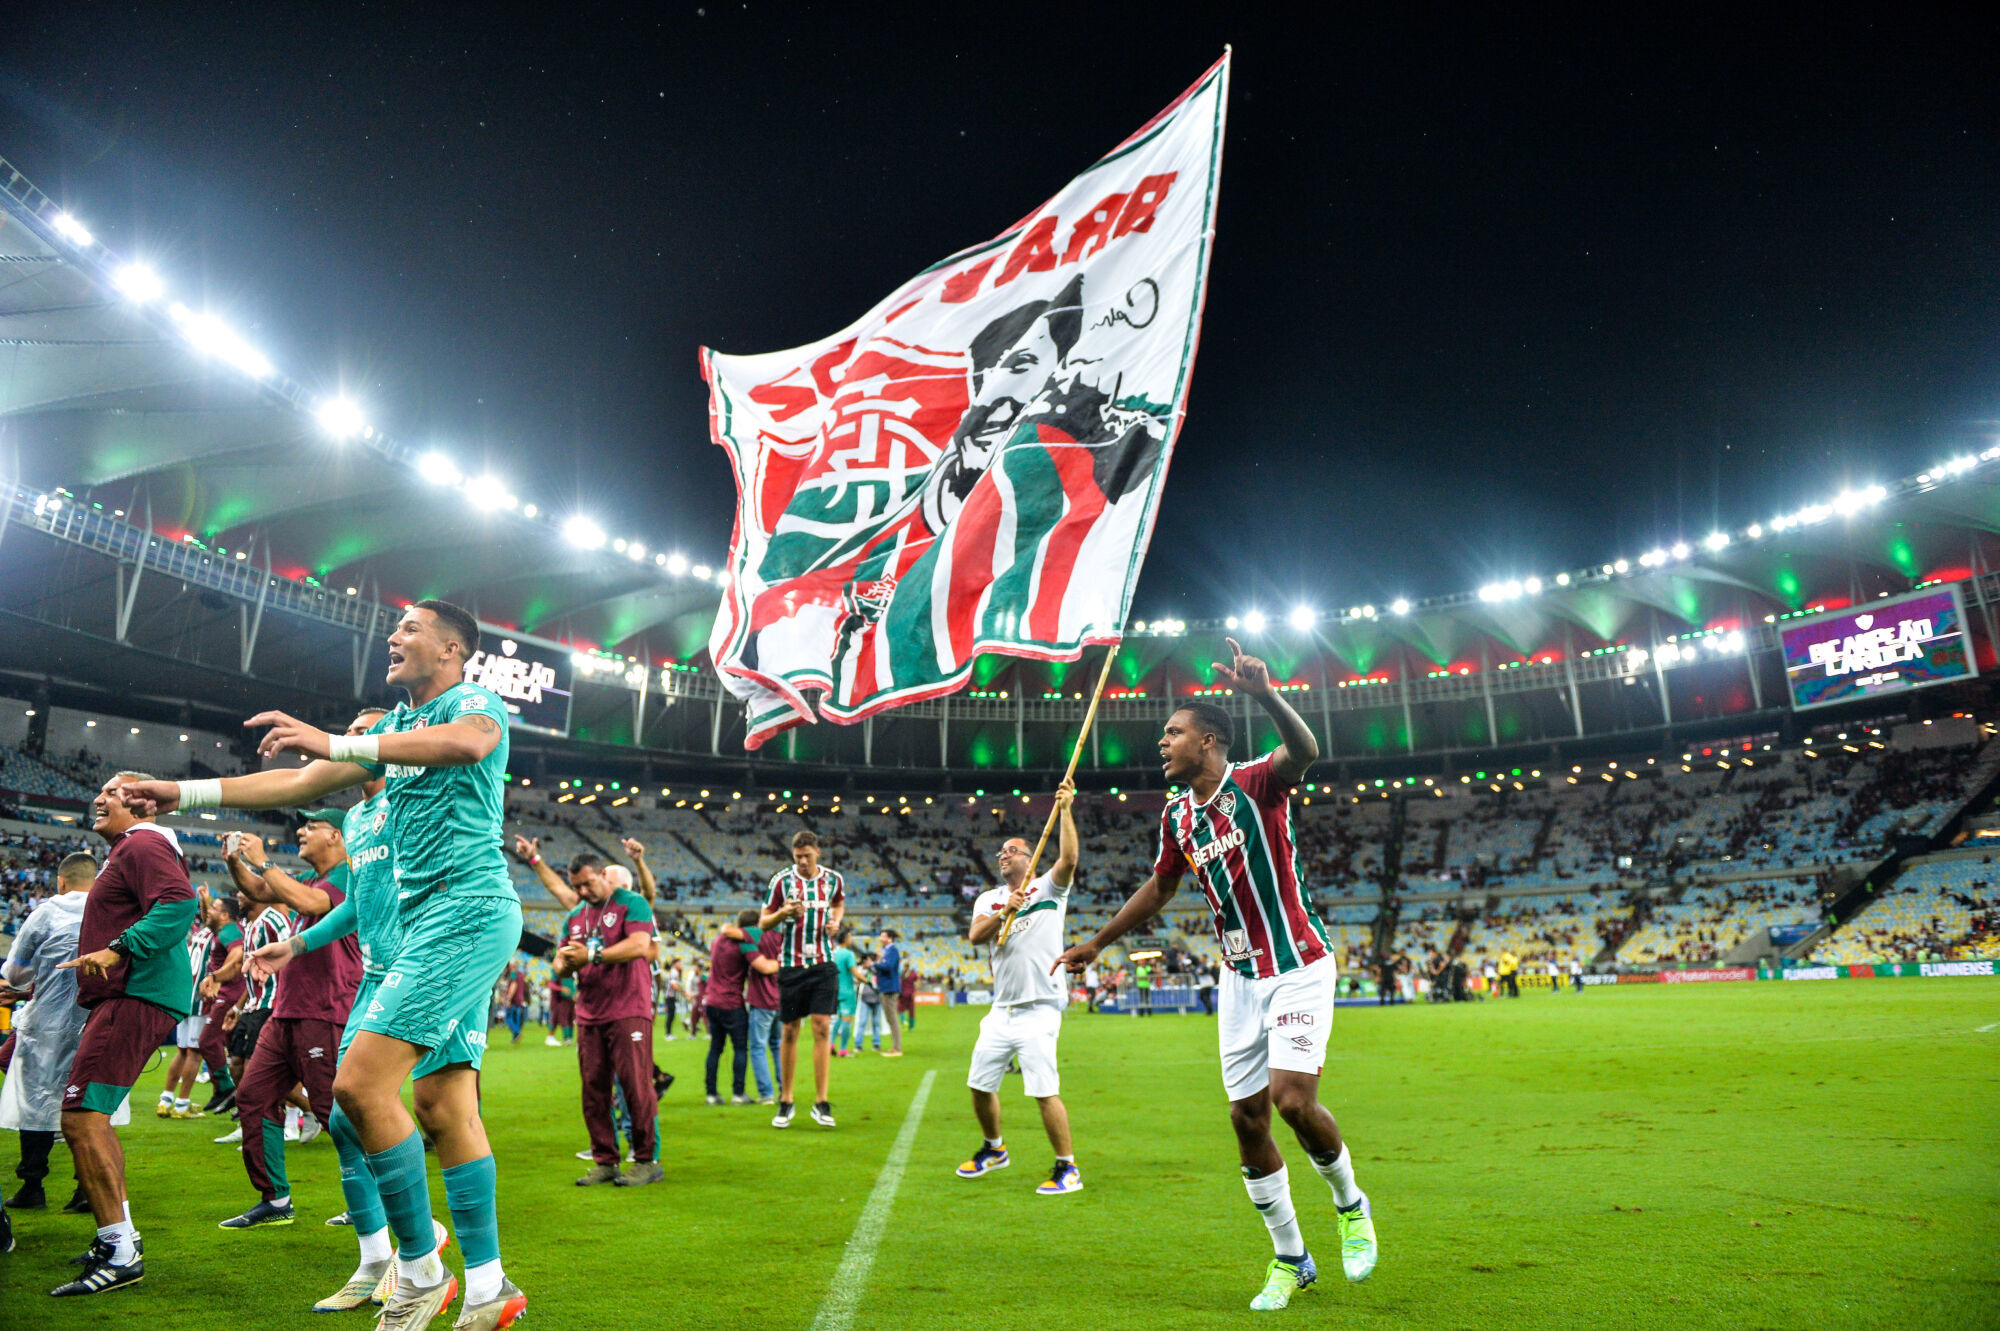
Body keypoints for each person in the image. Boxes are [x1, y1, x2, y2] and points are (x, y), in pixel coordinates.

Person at [122, 599, 528, 1328]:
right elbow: (295, 782)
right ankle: (490, 1285)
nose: (393, 635)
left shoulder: (475, 700)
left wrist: (343, 743)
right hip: (420, 929)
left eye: (410, 626)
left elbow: (470, 744)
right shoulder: (395, 731)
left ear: (453, 647)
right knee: (440, 1105)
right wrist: (181, 794)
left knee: (358, 1086)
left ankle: (418, 1271)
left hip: (462, 913)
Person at [1054, 641, 1379, 1312]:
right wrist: (1097, 941)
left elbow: (1307, 748)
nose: (1162, 743)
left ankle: (1351, 1204)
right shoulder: (1177, 816)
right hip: (1239, 979)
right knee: (1246, 1117)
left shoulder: (1258, 782)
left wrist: (1264, 694)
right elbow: (1160, 887)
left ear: (1208, 740)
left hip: (1298, 963)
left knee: (1293, 1101)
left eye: (1172, 732)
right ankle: (1292, 1258)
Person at [243, 709, 448, 1312]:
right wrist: (298, 943)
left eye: (370, 729)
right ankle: (380, 1259)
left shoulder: (423, 800)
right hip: (377, 972)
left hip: (429, 961)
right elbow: (357, 903)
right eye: (352, 729)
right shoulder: (360, 816)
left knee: (442, 1111)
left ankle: (431, 1262)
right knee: (343, 1119)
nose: (357, 737)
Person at [48, 772, 199, 1297]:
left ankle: (119, 1249)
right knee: (95, 1118)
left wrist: (119, 948)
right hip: (136, 990)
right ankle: (119, 1237)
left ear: (144, 807)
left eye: (113, 793)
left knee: (81, 1117)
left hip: (136, 989)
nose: (99, 797)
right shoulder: (132, 847)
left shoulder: (143, 843)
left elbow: (180, 903)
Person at [217, 812, 362, 1230]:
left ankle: (371, 1197)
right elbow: (261, 890)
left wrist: (263, 860)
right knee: (253, 1094)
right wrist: (233, 862)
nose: (300, 830)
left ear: (336, 835)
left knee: (334, 1109)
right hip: (286, 1011)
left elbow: (307, 904)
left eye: (311, 826)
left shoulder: (350, 875)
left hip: (327, 1009)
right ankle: (276, 1199)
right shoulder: (311, 879)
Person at [957, 779, 1082, 1196]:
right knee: (979, 1085)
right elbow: (976, 936)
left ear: (1029, 858)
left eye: (1012, 850)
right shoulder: (989, 899)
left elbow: (1069, 857)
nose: (1003, 855)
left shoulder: (1048, 888)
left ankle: (1067, 1167)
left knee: (1044, 1091)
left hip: (1040, 1008)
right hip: (1001, 1010)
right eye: (1001, 853)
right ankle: (995, 1149)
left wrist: (1064, 809)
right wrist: (1003, 911)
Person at [554, 853, 663, 1186]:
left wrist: (592, 955)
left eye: (588, 882)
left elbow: (640, 946)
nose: (584, 890)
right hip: (589, 1012)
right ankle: (605, 1160)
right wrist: (569, 964)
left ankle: (646, 1160)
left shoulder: (633, 903)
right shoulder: (574, 916)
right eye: (577, 886)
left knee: (635, 1085)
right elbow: (559, 963)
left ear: (602, 874)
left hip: (629, 1009)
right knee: (594, 1088)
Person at [0, 851, 97, 1214]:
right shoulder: (111, 913)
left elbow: (15, 973)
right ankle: (87, 1186)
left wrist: (27, 984)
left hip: (45, 1027)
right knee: (88, 1105)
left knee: (35, 1101)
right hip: (93, 1023)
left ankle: (32, 1185)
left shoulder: (45, 912)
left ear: (60, 881)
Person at [760, 831, 845, 1128]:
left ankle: (821, 1102)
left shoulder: (834, 879)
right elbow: (764, 921)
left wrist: (836, 921)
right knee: (790, 1031)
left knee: (822, 1027)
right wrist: (783, 912)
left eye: (807, 856)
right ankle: (786, 1100)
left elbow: (838, 903)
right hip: (792, 965)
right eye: (798, 858)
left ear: (817, 853)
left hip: (823, 962)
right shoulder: (782, 882)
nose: (803, 862)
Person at [158, 910, 216, 1119]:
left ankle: (165, 1100)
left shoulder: (200, 933)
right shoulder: (218, 936)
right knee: (195, 1053)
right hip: (200, 1001)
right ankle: (181, 1105)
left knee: (182, 1051)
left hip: (184, 996)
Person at [194, 894, 244, 1114]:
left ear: (225, 915)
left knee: (207, 1041)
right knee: (237, 1056)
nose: (208, 913)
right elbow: (209, 919)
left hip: (231, 994)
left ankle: (224, 1087)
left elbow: (237, 953)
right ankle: (244, 1103)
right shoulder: (221, 929)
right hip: (230, 994)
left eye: (214, 908)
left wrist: (215, 977)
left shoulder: (230, 931)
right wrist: (205, 901)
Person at [702, 911, 755, 1104]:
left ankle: (711, 1093)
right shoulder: (744, 945)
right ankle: (738, 1093)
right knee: (740, 1048)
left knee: (715, 1048)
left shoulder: (718, 940)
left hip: (712, 1000)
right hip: (732, 1002)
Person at [830, 926, 860, 1056]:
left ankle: (830, 1043)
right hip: (847, 990)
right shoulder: (848, 954)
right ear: (846, 938)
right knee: (847, 1019)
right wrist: (867, 981)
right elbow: (855, 973)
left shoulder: (832, 952)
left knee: (838, 1018)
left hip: (834, 989)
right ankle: (843, 1049)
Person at [873, 929, 904, 1056]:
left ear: (890, 939)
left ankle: (897, 1048)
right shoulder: (888, 951)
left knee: (892, 1019)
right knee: (890, 1018)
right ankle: (895, 1046)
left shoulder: (892, 951)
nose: (881, 938)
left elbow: (888, 967)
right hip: (886, 987)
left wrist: (874, 964)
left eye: (883, 936)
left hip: (890, 988)